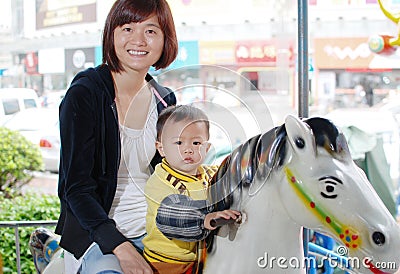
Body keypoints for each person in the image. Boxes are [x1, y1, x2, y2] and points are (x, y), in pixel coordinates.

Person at [55, 0, 179, 273]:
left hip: (154, 229)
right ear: (112, 34)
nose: (138, 40)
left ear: (164, 40)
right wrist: (121, 248)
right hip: (98, 235)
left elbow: (168, 172)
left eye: (150, 31)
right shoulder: (85, 94)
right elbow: (75, 188)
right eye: (127, 28)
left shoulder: (165, 100)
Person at [143, 105, 241, 274]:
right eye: (179, 142)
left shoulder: (210, 175)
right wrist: (205, 217)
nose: (188, 149)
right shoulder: (159, 181)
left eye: (196, 143)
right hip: (168, 263)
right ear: (161, 148)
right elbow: (170, 212)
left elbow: (231, 177)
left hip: (204, 257)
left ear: (207, 148)